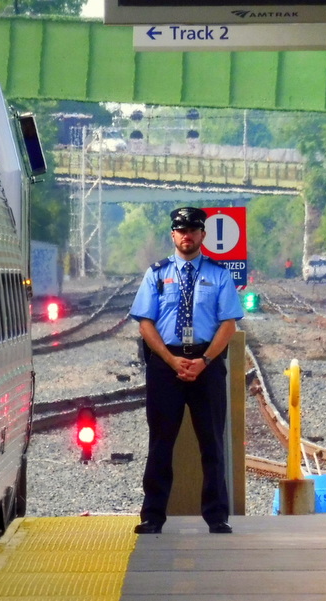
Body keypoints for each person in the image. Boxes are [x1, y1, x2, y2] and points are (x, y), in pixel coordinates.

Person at [129, 207, 244, 535]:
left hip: (206, 365)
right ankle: (152, 516)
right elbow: (145, 323)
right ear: (173, 235)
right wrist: (169, 359)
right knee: (161, 442)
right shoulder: (156, 274)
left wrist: (205, 360)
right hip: (166, 366)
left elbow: (228, 324)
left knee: (212, 443)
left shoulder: (219, 275)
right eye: (181, 230)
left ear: (203, 235)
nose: (187, 235)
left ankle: (217, 516)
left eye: (193, 230)